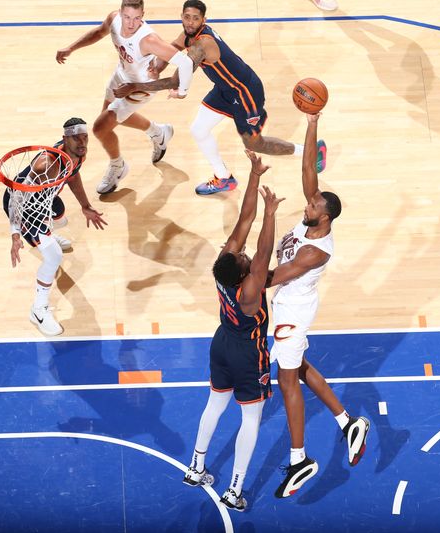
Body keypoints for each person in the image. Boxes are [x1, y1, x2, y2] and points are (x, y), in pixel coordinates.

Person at [113, 0, 327, 196]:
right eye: (187, 16)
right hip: (225, 89)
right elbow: (174, 49)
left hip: (245, 93)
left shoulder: (202, 44)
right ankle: (224, 177)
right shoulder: (188, 34)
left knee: (256, 144)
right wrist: (157, 67)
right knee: (198, 129)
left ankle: (310, 151)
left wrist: (135, 86)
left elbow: (176, 81)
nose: (190, 21)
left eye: (195, 18)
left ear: (203, 20)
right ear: (182, 16)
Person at [267, 112, 369, 499]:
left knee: (287, 380)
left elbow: (276, 275)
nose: (306, 204)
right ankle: (348, 424)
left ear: (323, 217)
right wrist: (311, 123)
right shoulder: (313, 219)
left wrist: (238, 283)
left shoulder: (315, 251)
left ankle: (300, 460)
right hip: (288, 307)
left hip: (292, 313)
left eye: (312, 205)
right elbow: (308, 166)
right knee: (301, 367)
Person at [182, 150, 284, 511]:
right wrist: (271, 213)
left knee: (215, 404)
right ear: (244, 272)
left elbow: (244, 220)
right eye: (244, 261)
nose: (241, 254)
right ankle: (234, 489)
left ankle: (196, 467)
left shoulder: (223, 264)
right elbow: (263, 250)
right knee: (251, 418)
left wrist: (254, 175)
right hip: (246, 353)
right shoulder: (250, 290)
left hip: (221, 342)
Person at [55, 0, 194, 195]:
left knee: (100, 127)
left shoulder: (148, 40)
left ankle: (118, 165)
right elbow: (98, 32)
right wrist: (71, 48)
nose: (131, 24)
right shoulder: (114, 19)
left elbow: (186, 63)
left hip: (141, 87)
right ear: (120, 13)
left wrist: (182, 91)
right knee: (108, 121)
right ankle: (158, 132)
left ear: (142, 16)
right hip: (121, 76)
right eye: (127, 17)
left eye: (137, 18)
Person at [5, 118, 107, 336]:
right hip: (24, 206)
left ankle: (46, 235)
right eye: (76, 138)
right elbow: (17, 198)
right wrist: (15, 234)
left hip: (45, 199)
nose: (82, 142)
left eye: (84, 137)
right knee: (54, 256)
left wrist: (85, 206)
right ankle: (38, 311)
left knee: (61, 218)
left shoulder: (78, 154)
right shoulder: (46, 164)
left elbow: (73, 175)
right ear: (64, 139)